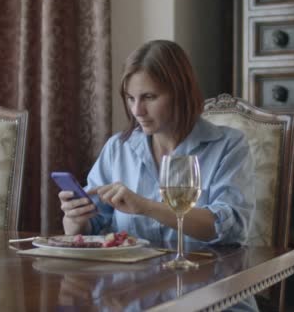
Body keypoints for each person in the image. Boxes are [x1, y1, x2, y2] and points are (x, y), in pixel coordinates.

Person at [59, 40, 258, 311]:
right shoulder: (119, 148)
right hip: (132, 298)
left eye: (149, 97)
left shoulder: (229, 145)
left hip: (214, 299)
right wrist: (75, 219)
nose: (137, 110)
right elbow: (93, 227)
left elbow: (230, 228)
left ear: (180, 93)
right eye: (131, 98)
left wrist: (146, 206)